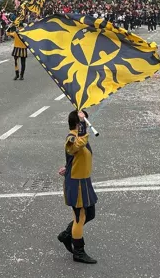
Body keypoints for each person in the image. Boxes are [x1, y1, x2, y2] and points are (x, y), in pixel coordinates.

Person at [57, 110, 98, 264]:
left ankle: (67, 234)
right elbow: (73, 148)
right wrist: (82, 127)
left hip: (84, 181)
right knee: (80, 218)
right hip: (76, 184)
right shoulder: (73, 138)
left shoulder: (79, 137)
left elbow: (75, 157)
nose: (88, 123)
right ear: (78, 123)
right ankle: (78, 252)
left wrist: (67, 167)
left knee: (90, 214)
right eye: (85, 121)